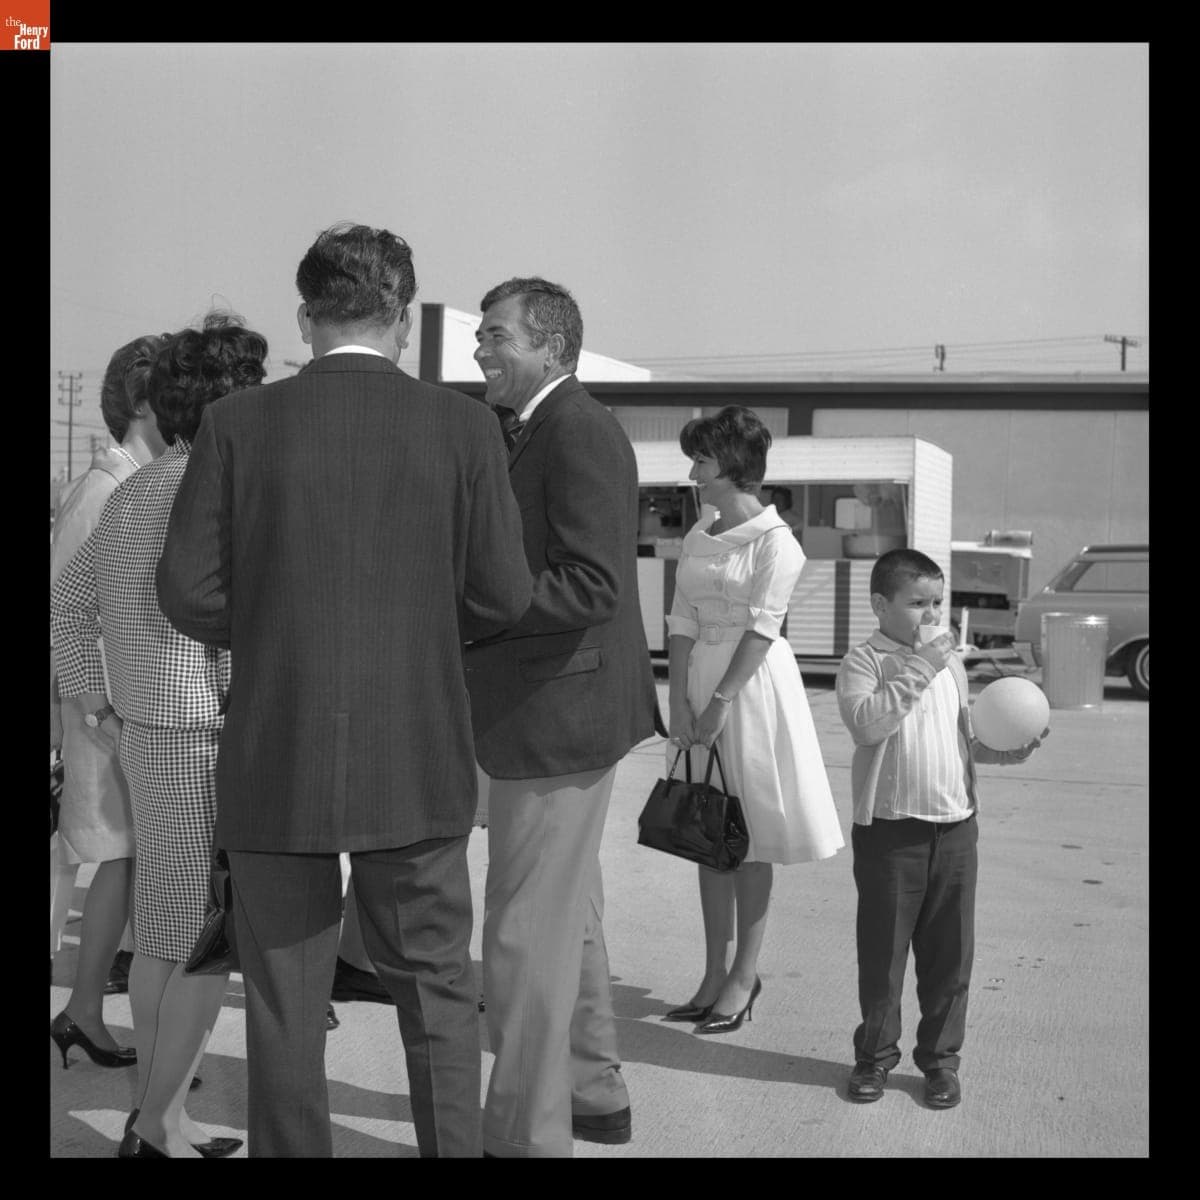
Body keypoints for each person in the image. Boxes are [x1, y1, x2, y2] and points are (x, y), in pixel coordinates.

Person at [156, 222, 530, 1159]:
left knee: (286, 1001)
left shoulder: (236, 424)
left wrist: (280, 629)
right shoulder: (465, 426)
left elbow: (190, 594)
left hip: (276, 751)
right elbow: (502, 594)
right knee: (438, 988)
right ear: (402, 315)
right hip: (418, 749)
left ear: (305, 315)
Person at [52, 312, 267, 1158]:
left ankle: (161, 1113)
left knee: (166, 930)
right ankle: (152, 1127)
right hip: (202, 735)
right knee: (198, 938)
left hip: (148, 731)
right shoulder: (211, 489)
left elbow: (66, 609)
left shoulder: (138, 487)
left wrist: (100, 705)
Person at [463, 277, 660, 1158]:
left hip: (556, 717)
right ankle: (591, 1090)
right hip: (557, 712)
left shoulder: (576, 429)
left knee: (520, 938)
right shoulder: (535, 426)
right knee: (566, 912)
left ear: (550, 344)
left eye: (496, 336)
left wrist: (468, 606)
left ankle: (525, 1138)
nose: (480, 349)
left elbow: (591, 581)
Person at [835, 548, 1048, 1110]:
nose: (932, 614)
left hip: (955, 828)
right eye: (917, 603)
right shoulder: (866, 661)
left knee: (950, 956)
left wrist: (1002, 752)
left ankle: (941, 1062)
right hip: (890, 832)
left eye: (937, 602)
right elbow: (868, 725)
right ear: (880, 604)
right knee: (883, 953)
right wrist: (923, 663)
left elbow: (962, 738)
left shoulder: (949, 663)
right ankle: (874, 1058)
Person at [666, 407, 844, 1034]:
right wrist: (680, 699)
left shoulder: (778, 543)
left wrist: (718, 704)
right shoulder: (699, 532)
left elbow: (764, 631)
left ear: (734, 469)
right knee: (707, 832)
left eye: (702, 462)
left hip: (753, 687)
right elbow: (682, 619)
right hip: (699, 681)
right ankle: (712, 974)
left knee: (751, 834)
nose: (693, 473)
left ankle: (744, 976)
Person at [50, 334, 168, 1064]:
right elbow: (64, 611)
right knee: (115, 861)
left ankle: (85, 1010)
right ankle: (86, 1010)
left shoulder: (135, 482)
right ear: (148, 402)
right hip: (100, 713)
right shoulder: (104, 489)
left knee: (122, 864)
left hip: (116, 710)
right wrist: (87, 713)